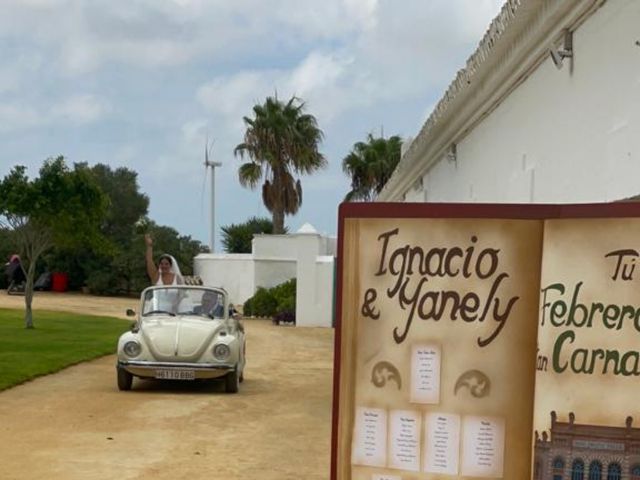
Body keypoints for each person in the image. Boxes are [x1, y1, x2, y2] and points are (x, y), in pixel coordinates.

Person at [144, 234, 183, 312]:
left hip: (173, 312)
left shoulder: (177, 278)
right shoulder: (156, 277)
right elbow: (149, 260)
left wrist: (176, 306)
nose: (164, 266)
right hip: (156, 310)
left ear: (171, 265)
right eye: (161, 264)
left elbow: (181, 296)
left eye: (166, 264)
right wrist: (149, 246)